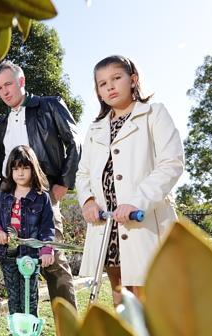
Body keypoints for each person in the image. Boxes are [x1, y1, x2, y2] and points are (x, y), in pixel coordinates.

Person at [76, 55, 184, 305]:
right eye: (102, 84)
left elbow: (172, 163)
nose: (110, 87)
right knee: (119, 289)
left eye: (116, 78)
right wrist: (88, 200)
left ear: (133, 80)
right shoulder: (95, 128)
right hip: (109, 224)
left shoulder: (154, 114)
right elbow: (83, 173)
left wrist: (137, 201)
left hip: (140, 221)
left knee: (144, 294)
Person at [0, 60, 79, 311]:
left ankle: (69, 331)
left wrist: (63, 183)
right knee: (15, 264)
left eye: (8, 84)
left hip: (45, 195)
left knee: (53, 261)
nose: (4, 91)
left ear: (21, 81)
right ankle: (22, 332)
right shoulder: (1, 125)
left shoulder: (49, 106)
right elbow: (1, 167)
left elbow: (75, 144)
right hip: (12, 202)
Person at [0, 145, 55, 336]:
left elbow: (47, 227)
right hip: (8, 256)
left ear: (33, 169)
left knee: (31, 297)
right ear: (10, 170)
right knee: (15, 298)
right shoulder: (4, 196)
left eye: (25, 168)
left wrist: (46, 249)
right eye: (15, 168)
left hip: (30, 257)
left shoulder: (41, 197)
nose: (20, 172)